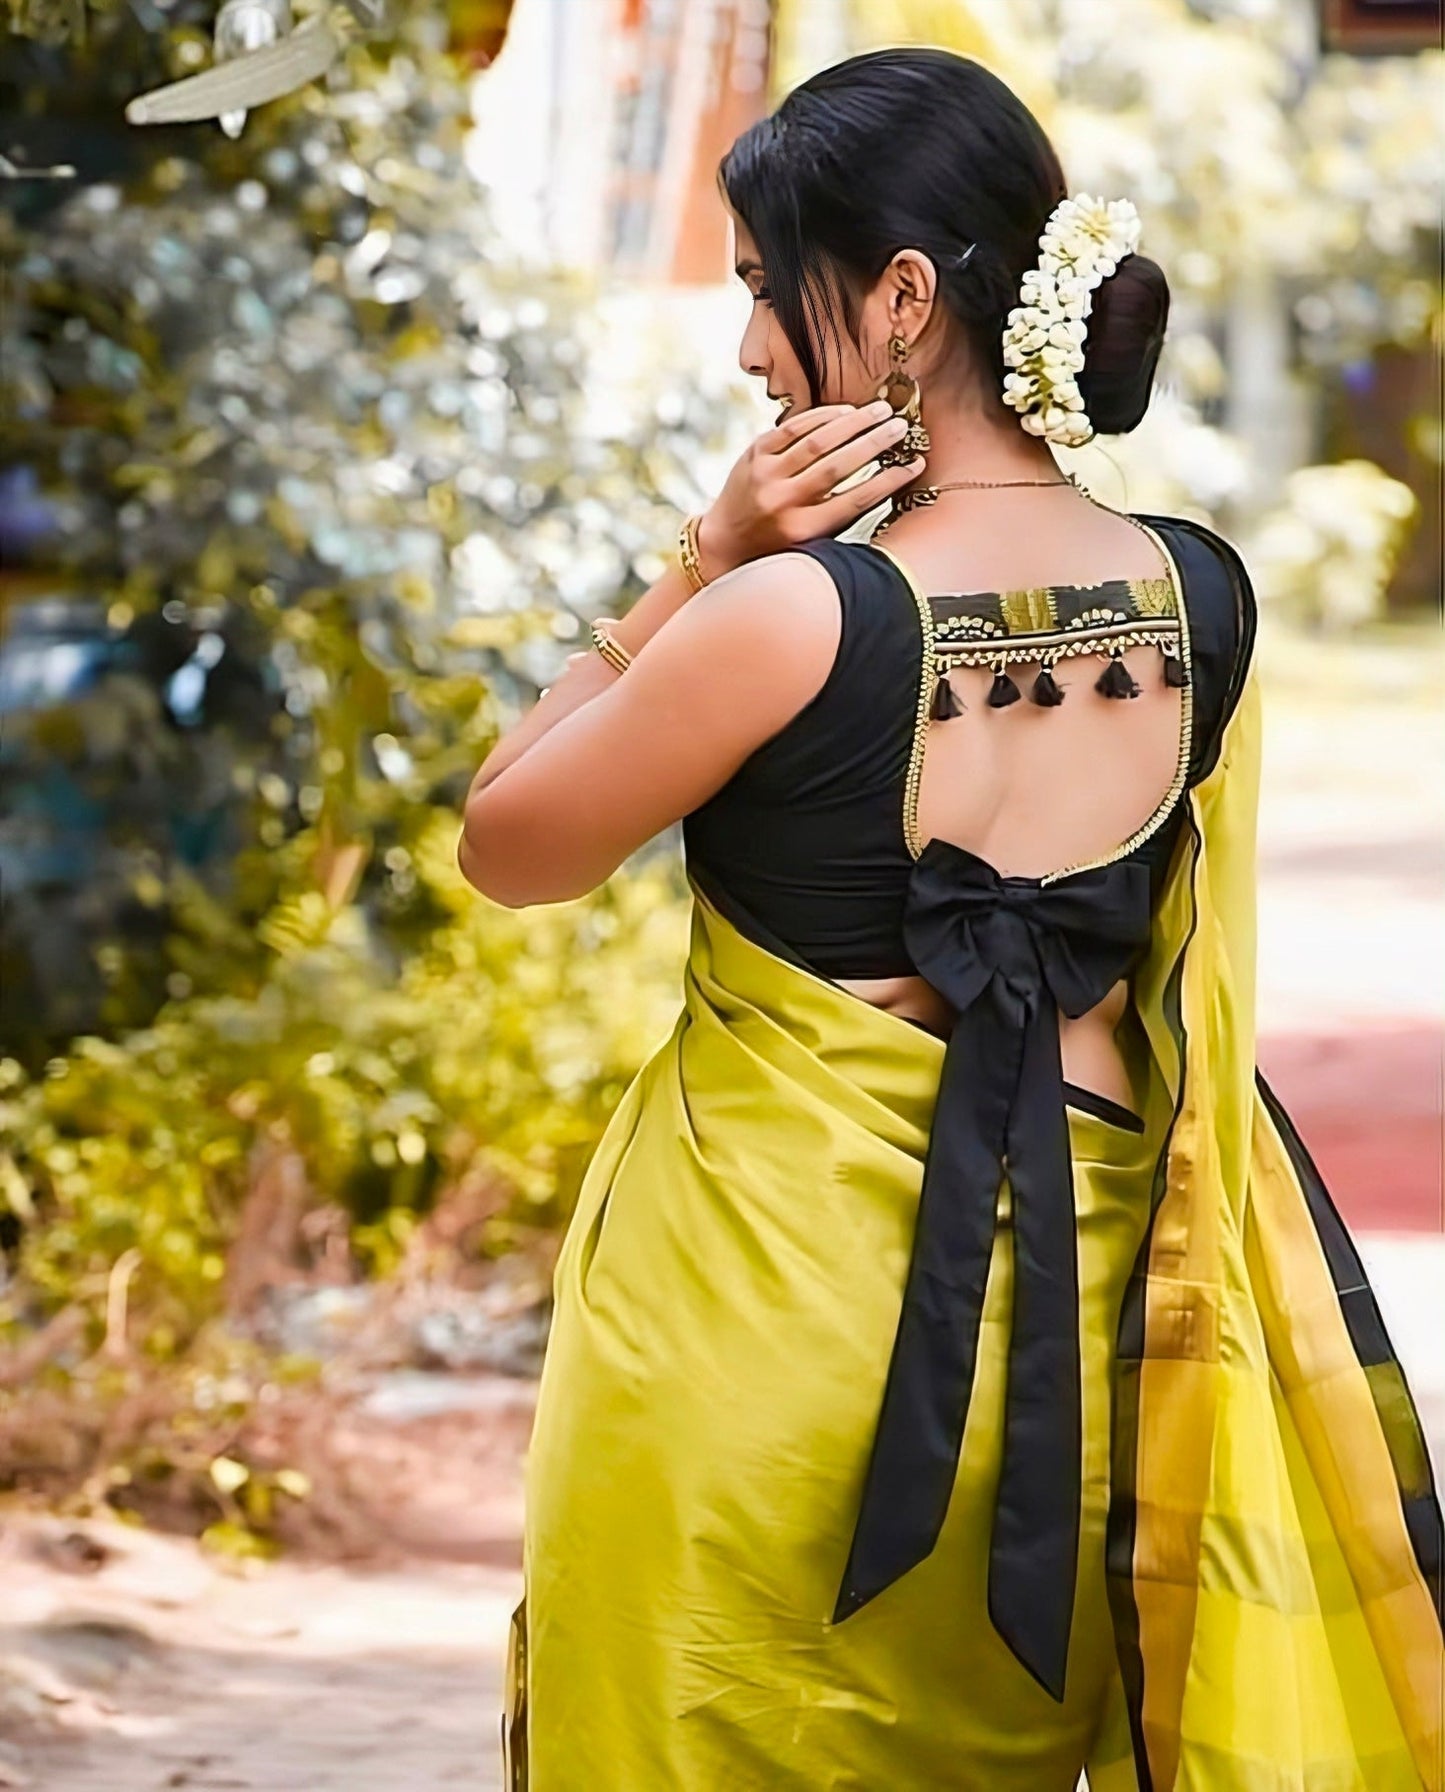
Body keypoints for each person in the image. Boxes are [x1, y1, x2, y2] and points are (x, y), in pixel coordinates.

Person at [458, 47, 1443, 1792]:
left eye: (770, 290)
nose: (750, 347)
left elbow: (510, 842)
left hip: (761, 1339)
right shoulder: (1196, 596)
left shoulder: (785, 622)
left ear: (901, 297)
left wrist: (695, 561)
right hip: (1073, 1373)